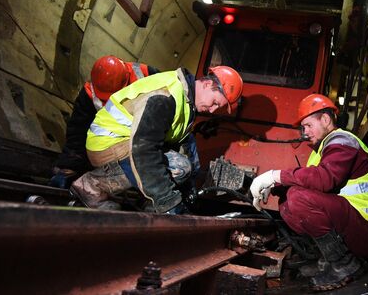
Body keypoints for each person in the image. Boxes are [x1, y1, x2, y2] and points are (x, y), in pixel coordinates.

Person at [249, 93, 368, 291]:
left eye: (308, 125)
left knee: (299, 199)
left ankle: (344, 264)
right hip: (353, 225)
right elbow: (311, 183)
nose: (305, 131)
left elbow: (324, 179)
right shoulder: (321, 149)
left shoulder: (342, 141)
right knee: (288, 203)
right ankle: (328, 259)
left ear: (325, 119)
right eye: (303, 127)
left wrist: (275, 175)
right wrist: (274, 187)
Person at [70, 65, 243, 213]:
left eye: (217, 108)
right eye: (214, 103)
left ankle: (149, 208)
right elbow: (144, 150)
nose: (212, 111)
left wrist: (187, 188)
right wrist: (167, 200)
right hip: (106, 143)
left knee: (183, 166)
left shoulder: (186, 100)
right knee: (178, 166)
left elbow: (180, 142)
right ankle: (91, 185)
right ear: (207, 83)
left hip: (123, 142)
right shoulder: (165, 96)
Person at [49, 56, 159, 189]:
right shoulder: (89, 95)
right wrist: (68, 166)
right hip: (120, 143)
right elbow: (78, 132)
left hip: (151, 134)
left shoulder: (147, 75)